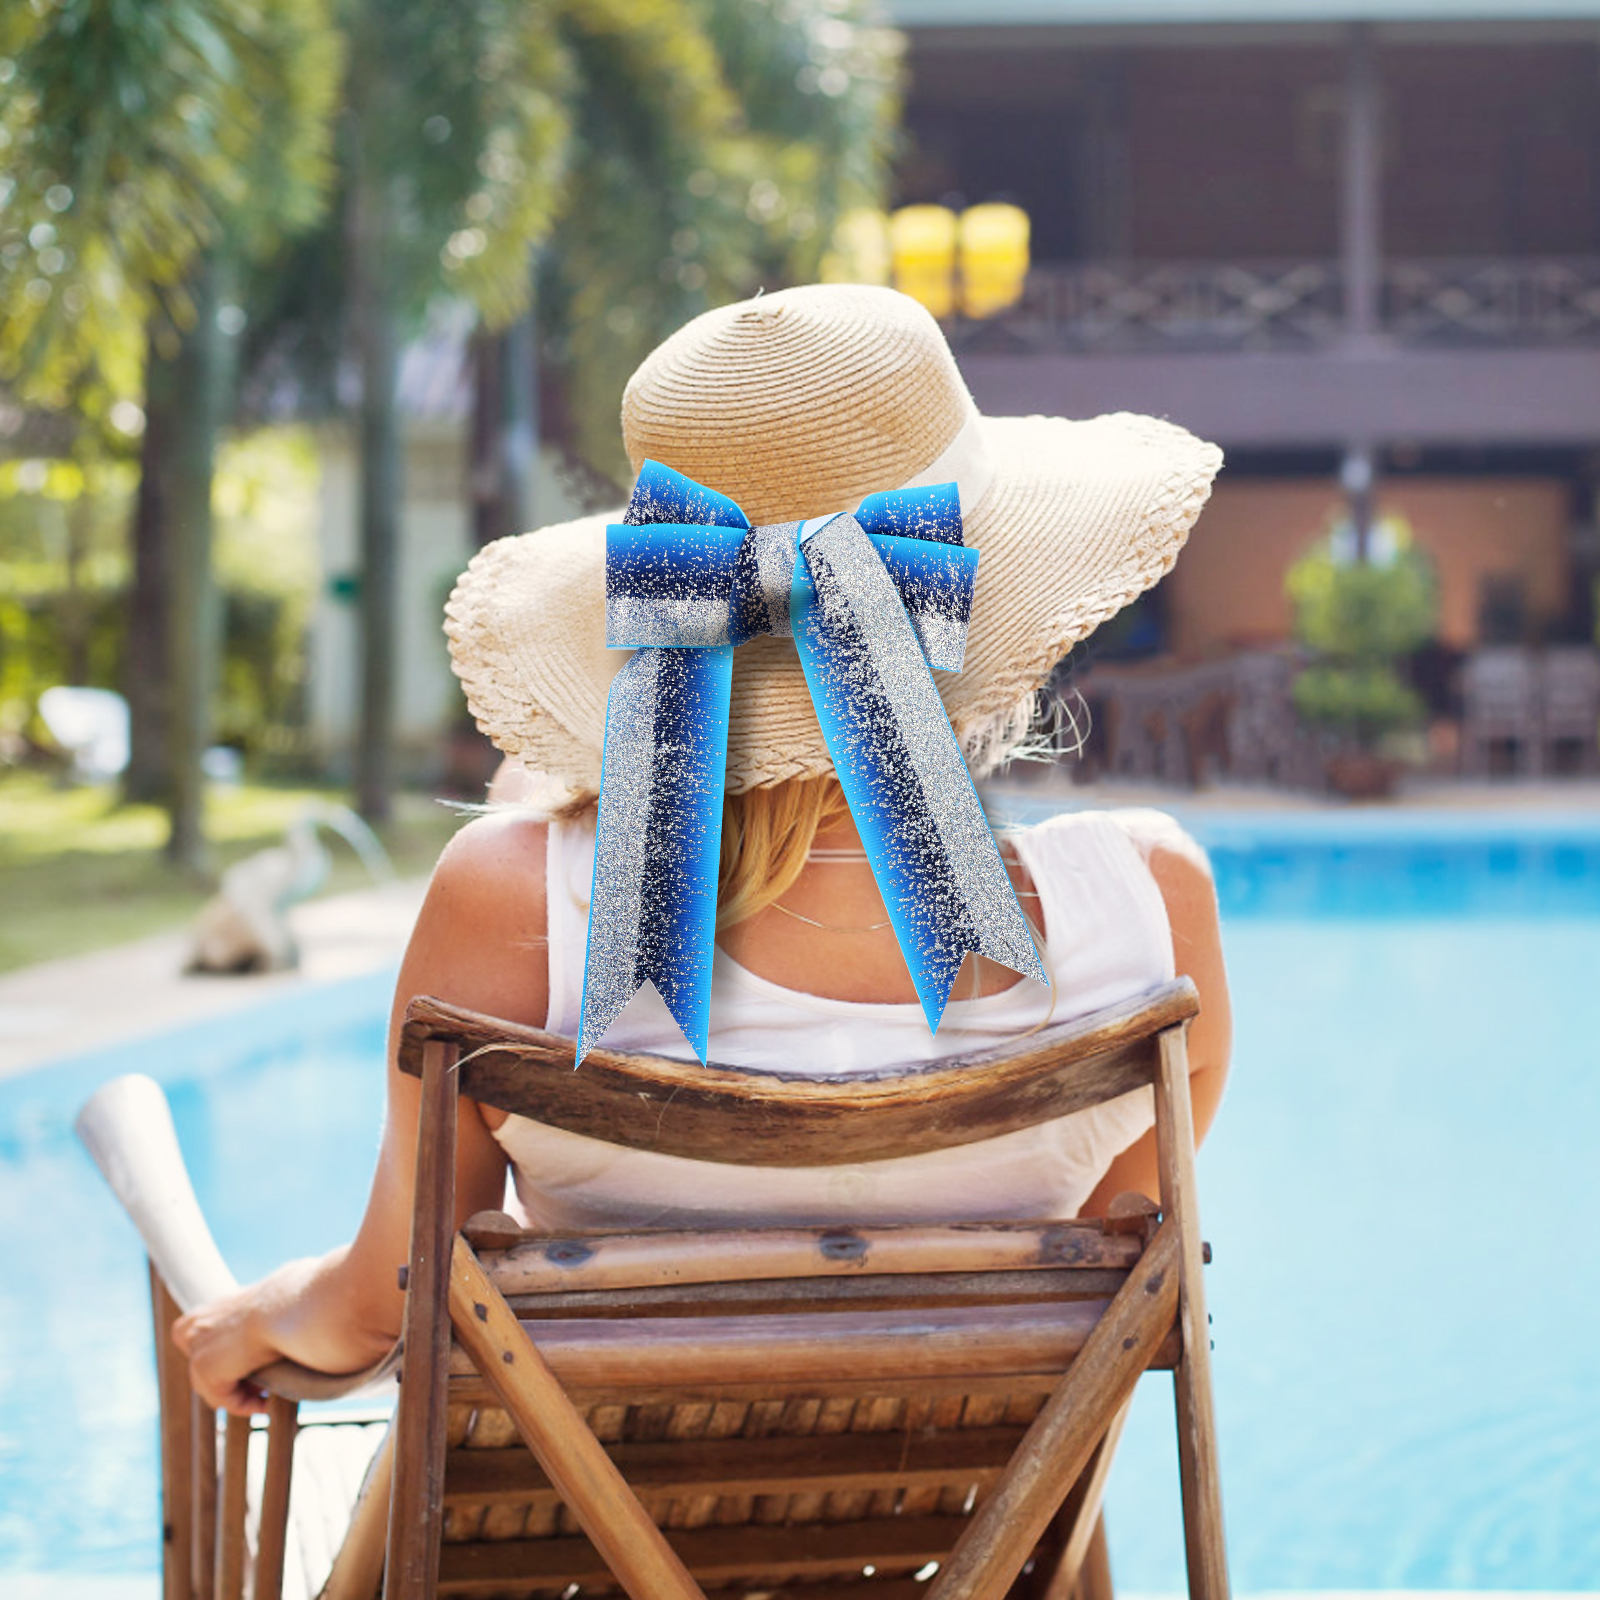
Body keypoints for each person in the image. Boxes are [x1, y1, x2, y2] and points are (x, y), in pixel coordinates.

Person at [176, 284, 1230, 1417]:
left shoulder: (510, 905)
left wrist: (270, 1309)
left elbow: (396, 1299)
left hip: (587, 1508)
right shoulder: (1148, 907)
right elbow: (1098, 1298)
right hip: (979, 1510)